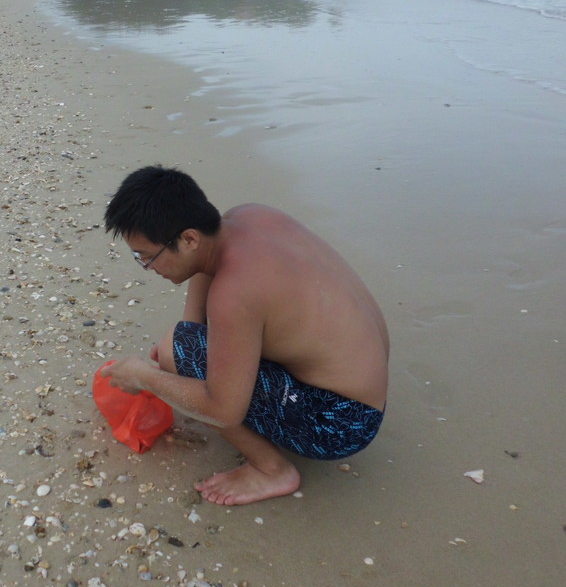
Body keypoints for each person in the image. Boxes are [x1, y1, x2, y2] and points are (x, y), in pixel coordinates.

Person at [100, 165, 389, 505]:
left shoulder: (235, 293)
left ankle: (272, 470)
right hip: (365, 382)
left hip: (341, 423)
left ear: (188, 239)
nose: (149, 268)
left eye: (149, 258)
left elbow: (224, 411)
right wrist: (183, 351)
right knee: (179, 348)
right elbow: (205, 272)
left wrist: (144, 377)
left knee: (181, 356)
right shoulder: (248, 217)